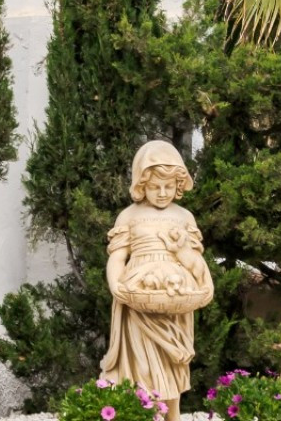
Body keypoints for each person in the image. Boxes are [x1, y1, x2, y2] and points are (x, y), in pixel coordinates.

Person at [100, 139, 213, 421]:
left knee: (170, 365)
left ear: (179, 184)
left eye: (169, 187)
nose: (162, 193)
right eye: (154, 186)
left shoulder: (185, 216)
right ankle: (140, 413)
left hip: (174, 294)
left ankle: (172, 414)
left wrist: (184, 254)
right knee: (140, 366)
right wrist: (116, 285)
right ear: (141, 184)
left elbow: (195, 262)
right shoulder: (128, 215)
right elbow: (117, 257)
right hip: (138, 296)